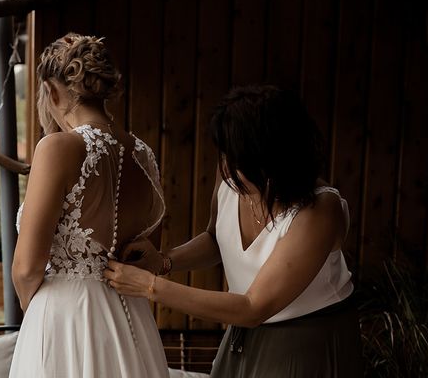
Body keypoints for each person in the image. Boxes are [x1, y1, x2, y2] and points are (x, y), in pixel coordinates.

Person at [105, 85, 364, 377]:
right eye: (224, 154)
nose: (225, 167)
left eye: (236, 157)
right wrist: (163, 262)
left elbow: (253, 307)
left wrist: (149, 286)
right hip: (241, 335)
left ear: (271, 157)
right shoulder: (232, 177)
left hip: (305, 346)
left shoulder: (319, 210)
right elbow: (216, 239)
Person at [9, 33, 169, 377]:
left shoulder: (57, 147)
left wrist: (35, 312)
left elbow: (25, 268)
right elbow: (143, 251)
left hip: (65, 318)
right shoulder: (144, 155)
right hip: (132, 319)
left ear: (52, 91)